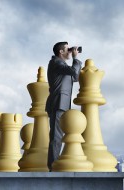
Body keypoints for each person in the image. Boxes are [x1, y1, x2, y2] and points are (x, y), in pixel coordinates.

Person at [45, 41, 82, 171]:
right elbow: (73, 71)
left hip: (62, 104)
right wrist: (75, 58)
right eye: (68, 49)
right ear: (61, 52)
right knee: (56, 137)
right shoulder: (56, 63)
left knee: (58, 136)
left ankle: (54, 164)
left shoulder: (61, 65)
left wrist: (74, 61)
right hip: (58, 103)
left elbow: (75, 77)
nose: (70, 51)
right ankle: (53, 166)